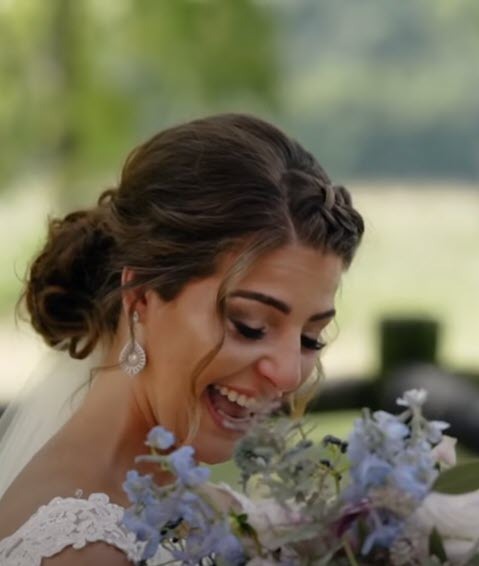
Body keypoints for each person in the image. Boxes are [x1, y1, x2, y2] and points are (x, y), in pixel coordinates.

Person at [0, 113, 365, 565]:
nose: (289, 374)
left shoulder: (193, 505)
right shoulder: (82, 552)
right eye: (248, 325)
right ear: (140, 298)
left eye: (311, 338)